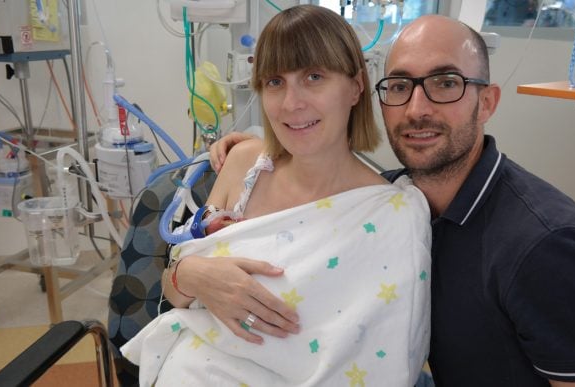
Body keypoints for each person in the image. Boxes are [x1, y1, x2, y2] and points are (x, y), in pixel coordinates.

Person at [206, 14, 575, 387]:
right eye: (399, 86)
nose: (416, 108)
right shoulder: (392, 199)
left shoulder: (546, 247)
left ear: (486, 101)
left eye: (445, 82)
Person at [120, 5, 432, 386]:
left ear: (355, 86)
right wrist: (190, 274)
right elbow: (174, 294)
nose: (290, 103)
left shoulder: (392, 216)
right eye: (274, 82)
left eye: (313, 77)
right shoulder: (244, 165)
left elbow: (385, 362)